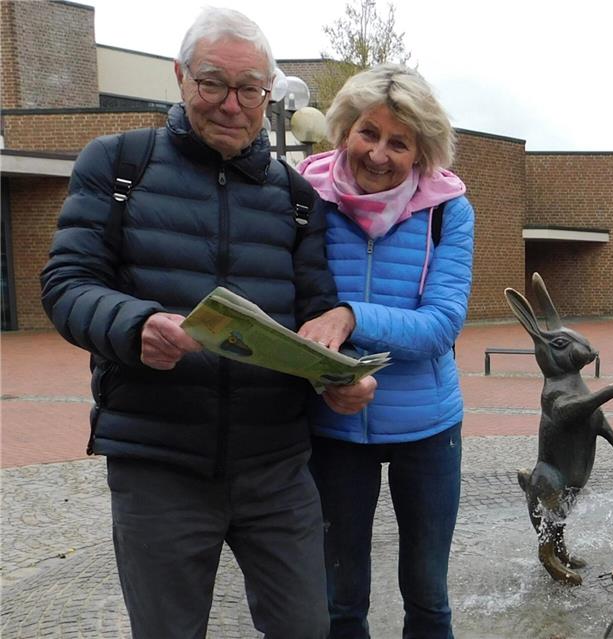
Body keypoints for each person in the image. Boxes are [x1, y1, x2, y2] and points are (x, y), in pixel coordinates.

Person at [39, 8, 375, 638]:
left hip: (276, 466)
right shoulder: (117, 166)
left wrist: (339, 370)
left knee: (306, 628)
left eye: (251, 89)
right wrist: (133, 324)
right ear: (180, 77)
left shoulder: (298, 198)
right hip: (158, 462)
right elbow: (65, 285)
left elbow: (316, 310)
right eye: (213, 83)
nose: (232, 104)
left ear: (268, 93)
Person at [297, 62, 474, 639]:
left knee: (427, 596)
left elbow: (442, 325)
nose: (379, 154)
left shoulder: (448, 211)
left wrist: (350, 316)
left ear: (421, 151)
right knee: (340, 600)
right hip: (334, 428)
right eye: (368, 133)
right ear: (345, 129)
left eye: (400, 142)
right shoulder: (307, 200)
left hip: (426, 426)